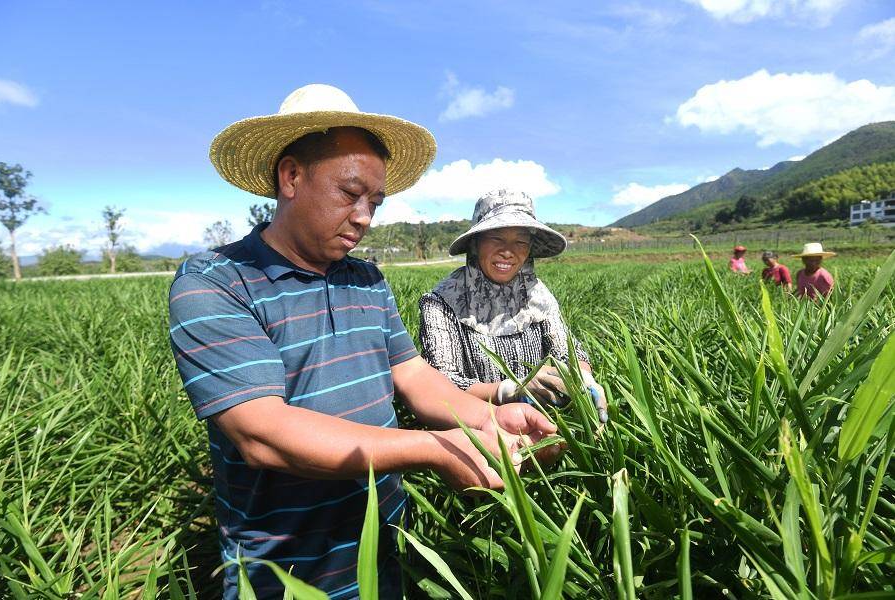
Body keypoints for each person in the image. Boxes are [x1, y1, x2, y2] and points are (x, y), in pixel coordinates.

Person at [168, 84, 559, 599]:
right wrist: (438, 446)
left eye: (374, 201)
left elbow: (415, 378)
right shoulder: (217, 282)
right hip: (287, 568)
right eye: (349, 193)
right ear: (291, 176)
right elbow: (262, 432)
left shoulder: (366, 280)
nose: (364, 216)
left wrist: (489, 418)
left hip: (388, 540)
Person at [418, 189, 608, 422]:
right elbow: (440, 383)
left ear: (529, 249)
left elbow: (565, 349)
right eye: (496, 238)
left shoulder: (537, 295)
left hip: (544, 422)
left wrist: (582, 377)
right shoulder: (441, 302)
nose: (508, 251)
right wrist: (509, 391)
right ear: (475, 244)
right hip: (475, 429)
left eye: (520, 241)